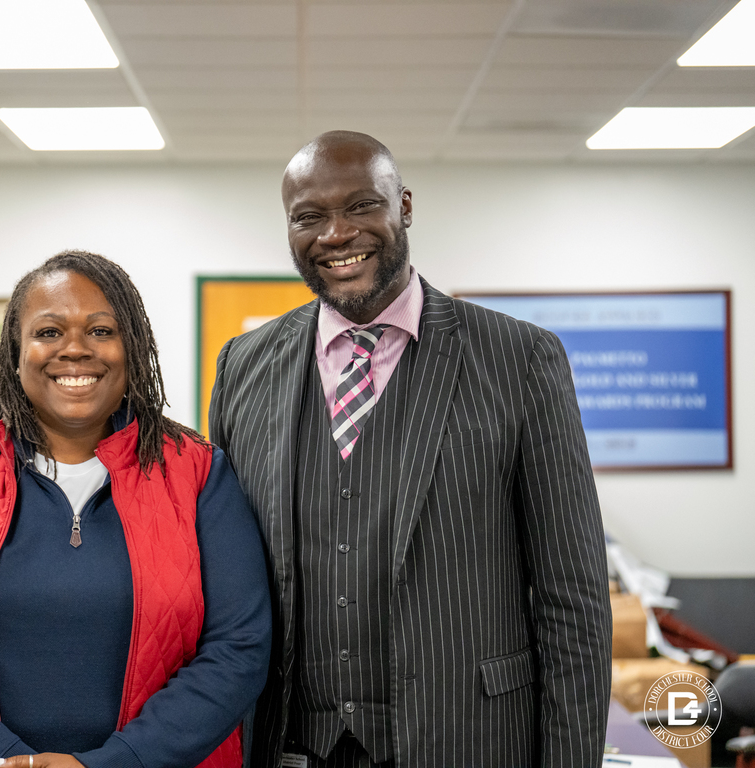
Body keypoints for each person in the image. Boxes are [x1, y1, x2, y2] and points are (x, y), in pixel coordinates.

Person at [208, 132, 612, 768]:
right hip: (289, 748)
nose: (337, 234)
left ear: (405, 207)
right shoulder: (242, 367)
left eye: (363, 206)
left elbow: (574, 602)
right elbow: (224, 587)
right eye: (309, 217)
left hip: (467, 739)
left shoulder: (520, 360)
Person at [0, 251, 272, 768]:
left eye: (101, 330)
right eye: (49, 332)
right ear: (15, 352)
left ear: (133, 348)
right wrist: (8, 764)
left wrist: (111, 764)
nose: (75, 350)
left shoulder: (199, 475)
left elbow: (239, 650)